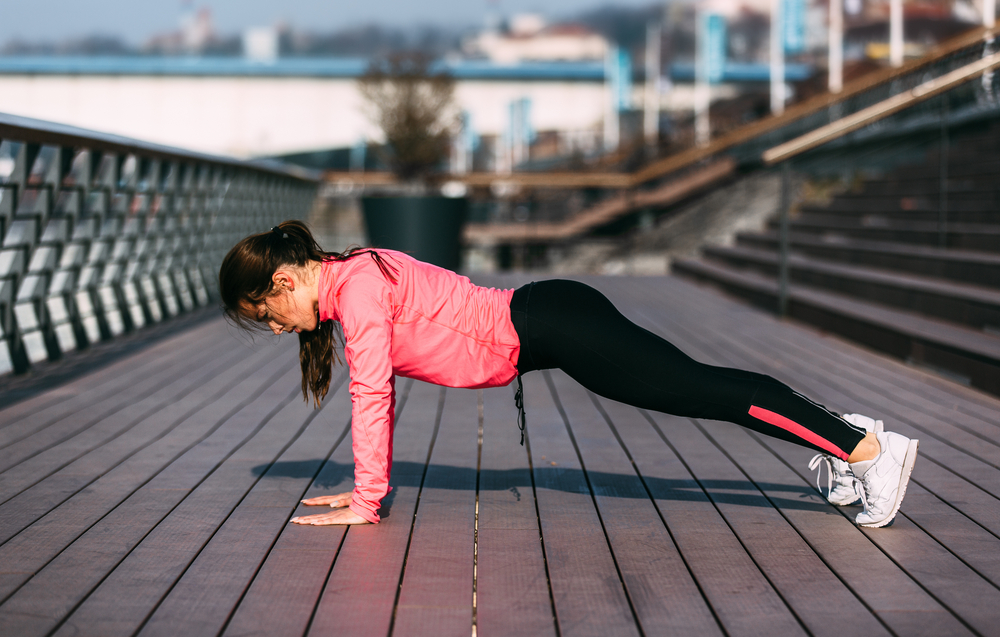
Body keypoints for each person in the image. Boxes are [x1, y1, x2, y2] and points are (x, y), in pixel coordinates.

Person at [219, 221, 919, 529]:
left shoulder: (357, 292)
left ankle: (867, 451)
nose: (278, 327)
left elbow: (375, 393)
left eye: (267, 313)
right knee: (695, 384)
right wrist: (365, 489)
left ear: (282, 279)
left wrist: (367, 502)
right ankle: (850, 437)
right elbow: (377, 391)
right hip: (550, 318)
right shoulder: (351, 281)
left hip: (553, 326)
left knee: (700, 391)